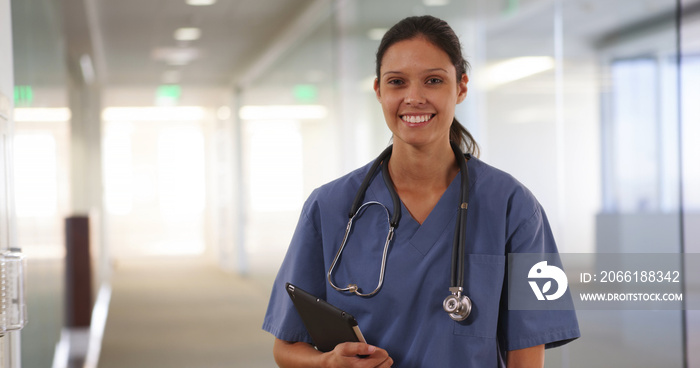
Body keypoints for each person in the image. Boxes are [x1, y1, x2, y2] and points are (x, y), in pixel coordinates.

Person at [262, 15, 580, 368]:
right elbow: (285, 348)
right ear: (379, 91)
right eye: (397, 82)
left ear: (460, 88)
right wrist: (328, 363)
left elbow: (527, 353)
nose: (414, 98)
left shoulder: (513, 207)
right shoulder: (329, 207)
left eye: (433, 80)